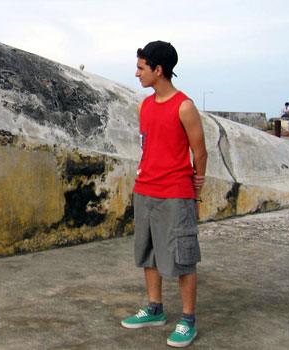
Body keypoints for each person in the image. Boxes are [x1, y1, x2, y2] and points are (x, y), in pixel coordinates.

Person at [122, 40, 207, 348]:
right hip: (145, 190)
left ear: (158, 70)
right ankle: (154, 309)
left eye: (141, 68)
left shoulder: (184, 106)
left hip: (175, 193)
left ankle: (187, 321)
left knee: (182, 258)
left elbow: (200, 152)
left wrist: (195, 191)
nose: (136, 74)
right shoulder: (143, 106)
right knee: (149, 251)